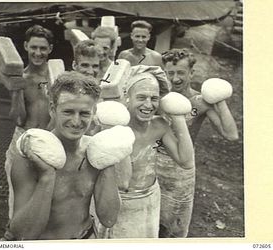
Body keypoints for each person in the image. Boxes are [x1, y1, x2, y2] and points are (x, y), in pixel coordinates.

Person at [2, 71, 120, 240]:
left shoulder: (96, 152)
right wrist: (47, 177)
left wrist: (108, 162)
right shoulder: (30, 156)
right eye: (68, 112)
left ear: (94, 112)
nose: (76, 121)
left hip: (87, 237)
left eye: (84, 113)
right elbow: (24, 233)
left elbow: (109, 219)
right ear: (52, 109)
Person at [99, 65, 194, 238]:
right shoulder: (113, 125)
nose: (148, 105)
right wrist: (118, 130)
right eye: (141, 97)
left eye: (154, 98)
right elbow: (123, 182)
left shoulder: (159, 126)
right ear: (127, 98)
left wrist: (177, 116)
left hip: (149, 198)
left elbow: (186, 161)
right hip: (119, 202)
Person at [157, 48, 239, 237]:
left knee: (175, 223)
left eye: (181, 73)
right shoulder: (158, 99)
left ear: (191, 73)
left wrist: (219, 100)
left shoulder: (200, 102)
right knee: (152, 217)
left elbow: (231, 134)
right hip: (154, 162)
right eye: (170, 73)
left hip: (182, 169)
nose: (175, 78)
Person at [4, 25, 54, 221]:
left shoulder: (57, 76)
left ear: (50, 48)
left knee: (49, 204)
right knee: (20, 202)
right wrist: (17, 91)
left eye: (43, 48)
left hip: (51, 143)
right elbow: (17, 119)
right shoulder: (20, 77)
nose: (38, 53)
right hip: (23, 140)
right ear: (25, 46)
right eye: (33, 47)